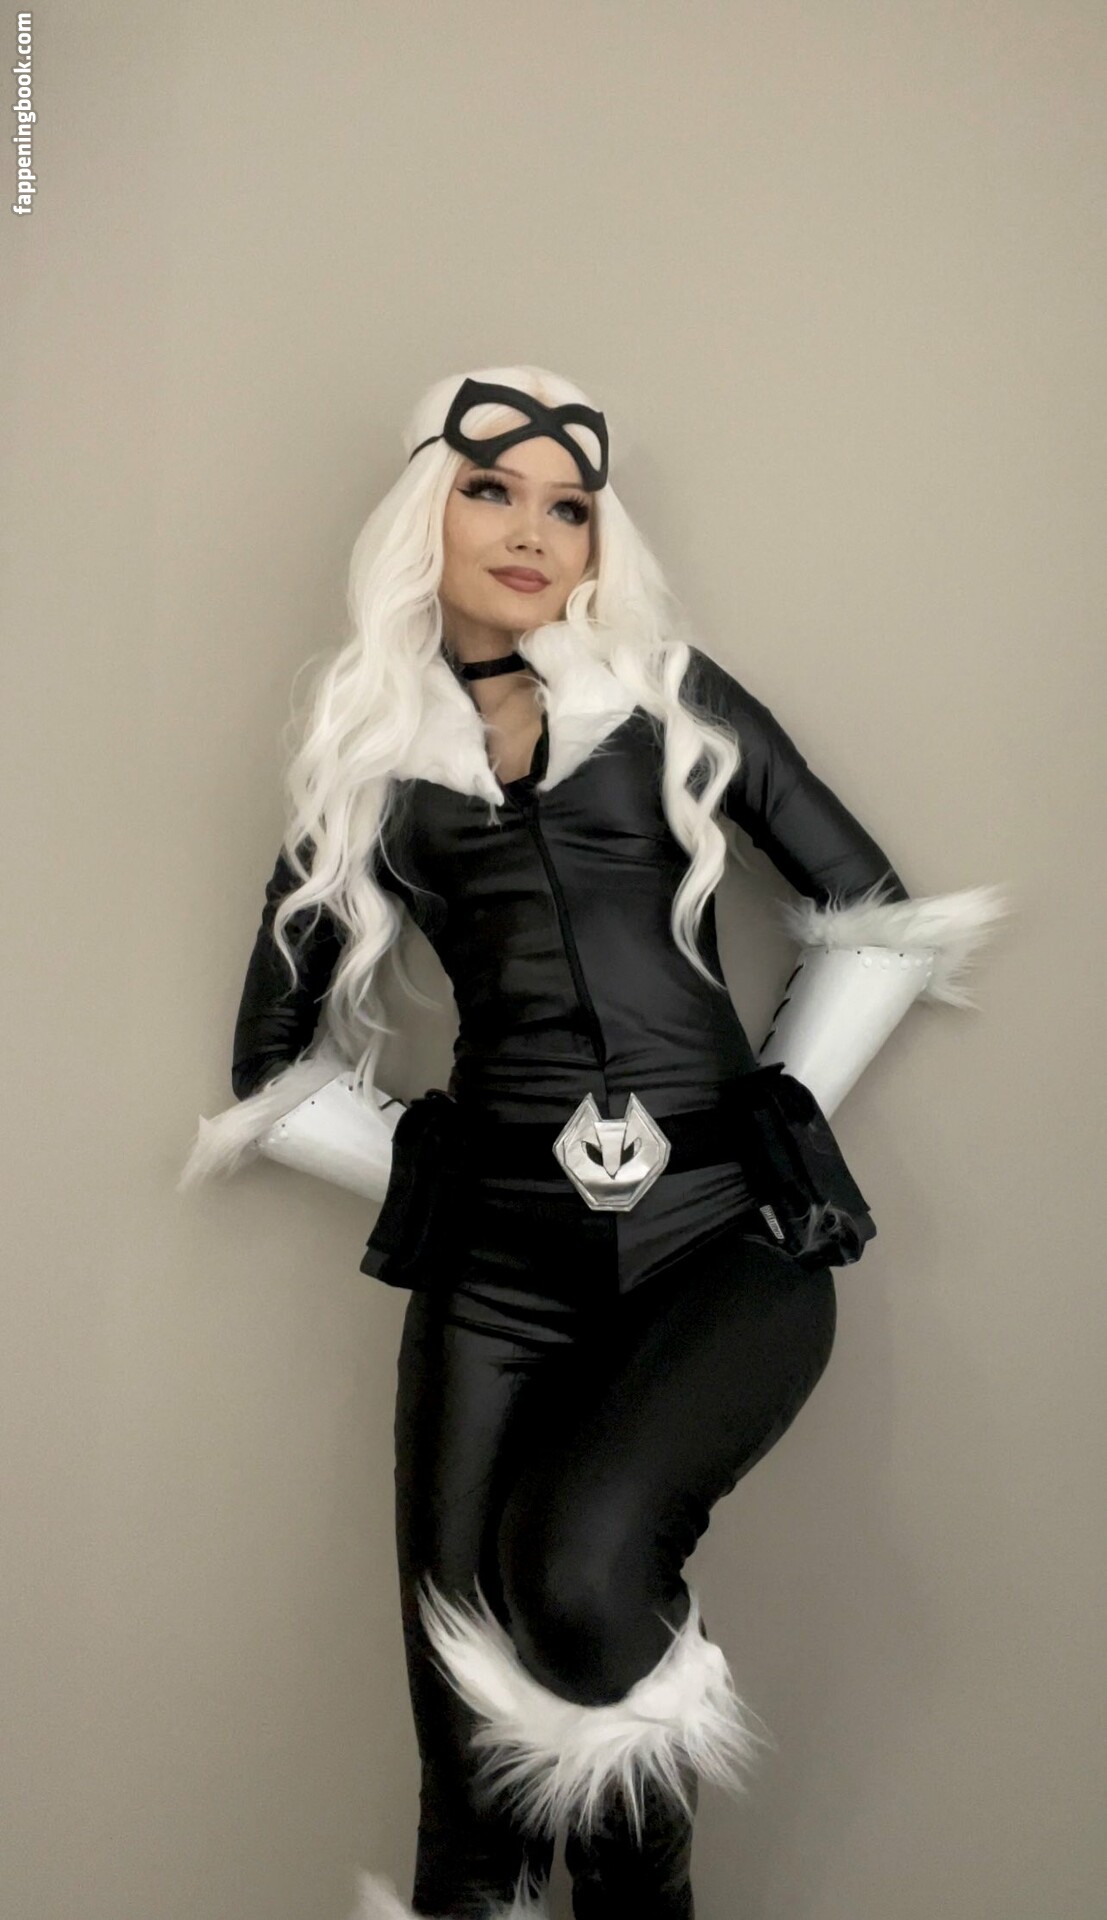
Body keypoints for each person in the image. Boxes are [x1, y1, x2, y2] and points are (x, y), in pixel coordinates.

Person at [180, 366, 1009, 1920]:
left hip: (724, 1244)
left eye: (569, 507)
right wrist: (446, 1171)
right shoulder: (371, 752)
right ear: (423, 509)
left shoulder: (671, 696)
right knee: (467, 1770)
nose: (532, 532)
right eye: (492, 490)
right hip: (493, 1279)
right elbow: (269, 1066)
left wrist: (768, 1116)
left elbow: (880, 919)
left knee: (574, 1579)